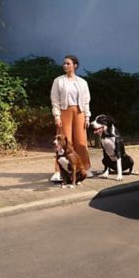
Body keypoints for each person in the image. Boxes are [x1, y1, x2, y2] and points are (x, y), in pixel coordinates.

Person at [50, 54, 92, 182]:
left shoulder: (82, 82)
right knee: (62, 142)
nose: (65, 65)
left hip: (79, 112)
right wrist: (57, 116)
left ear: (75, 66)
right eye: (64, 63)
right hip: (64, 112)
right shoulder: (58, 81)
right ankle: (58, 171)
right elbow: (55, 99)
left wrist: (87, 117)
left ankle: (84, 168)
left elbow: (86, 100)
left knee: (81, 141)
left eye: (68, 63)